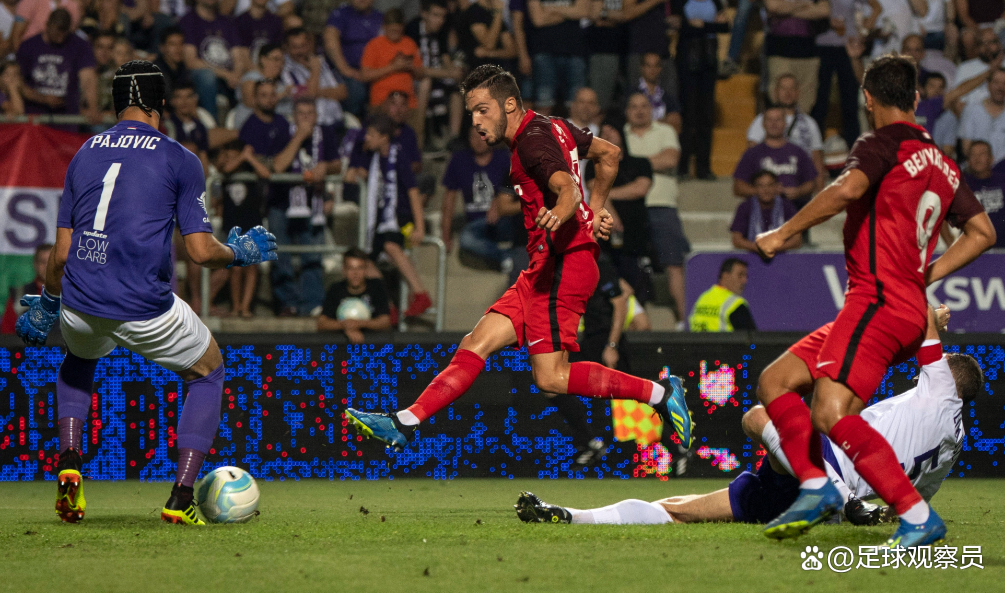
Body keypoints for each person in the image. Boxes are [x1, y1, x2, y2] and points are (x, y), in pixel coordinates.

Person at [344, 64, 694, 456]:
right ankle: (405, 422)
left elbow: (565, 190)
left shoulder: (531, 142)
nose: (474, 121)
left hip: (564, 264)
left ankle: (661, 393)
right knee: (475, 343)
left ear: (509, 104)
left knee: (551, 377)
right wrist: (593, 213)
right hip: (543, 267)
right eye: (471, 111)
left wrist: (570, 210)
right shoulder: (554, 126)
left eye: (481, 110)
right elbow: (609, 155)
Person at [14, 60, 277, 526]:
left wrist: (50, 303)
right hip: (143, 307)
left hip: (80, 303)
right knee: (209, 371)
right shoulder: (179, 157)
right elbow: (199, 252)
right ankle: (180, 497)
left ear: (117, 105)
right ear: (159, 107)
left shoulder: (85, 152)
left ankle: (70, 465)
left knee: (78, 362)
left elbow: (61, 253)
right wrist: (236, 253)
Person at [752, 54, 995, 547]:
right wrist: (927, 273)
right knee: (776, 382)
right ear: (917, 98)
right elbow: (982, 232)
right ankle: (819, 485)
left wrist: (783, 231)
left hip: (877, 301)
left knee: (830, 413)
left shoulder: (883, 143)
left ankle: (913, 513)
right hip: (899, 307)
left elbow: (849, 188)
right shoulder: (944, 163)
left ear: (868, 99)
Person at [515, 307, 984, 526]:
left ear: (949, 377)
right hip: (827, 490)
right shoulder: (951, 447)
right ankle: (570, 516)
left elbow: (918, 312)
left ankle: (834, 495)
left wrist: (935, 320)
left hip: (833, 466)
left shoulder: (942, 387)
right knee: (681, 511)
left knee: (760, 414)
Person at [343, 114, 433, 318]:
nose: (367, 138)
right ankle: (387, 304)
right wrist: (353, 171)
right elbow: (353, 171)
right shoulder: (371, 156)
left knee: (390, 246)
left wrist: (419, 227)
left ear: (384, 138)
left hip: (400, 218)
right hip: (380, 221)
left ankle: (420, 293)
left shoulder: (398, 157)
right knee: (365, 262)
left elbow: (412, 192)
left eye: (372, 135)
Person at [623, 92, 690, 329]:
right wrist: (650, 162)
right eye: (633, 106)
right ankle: (632, 322)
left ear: (652, 110)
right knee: (626, 264)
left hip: (662, 206)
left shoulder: (666, 131)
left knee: (674, 264)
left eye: (644, 106)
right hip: (628, 209)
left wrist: (633, 164)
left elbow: (671, 159)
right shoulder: (620, 133)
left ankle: (684, 321)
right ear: (627, 111)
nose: (639, 110)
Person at [269, 97, 340, 317]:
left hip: (313, 203)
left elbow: (337, 164)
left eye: (311, 113)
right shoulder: (282, 130)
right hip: (281, 202)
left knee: (313, 255)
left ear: (317, 115)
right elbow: (278, 165)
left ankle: (312, 303)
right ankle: (288, 302)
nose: (307, 117)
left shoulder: (326, 133)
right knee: (280, 254)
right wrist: (299, 137)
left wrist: (326, 167)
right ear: (294, 115)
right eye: (302, 113)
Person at [441, 125, 518, 271]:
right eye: (473, 137)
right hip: (476, 225)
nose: (478, 141)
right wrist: (445, 234)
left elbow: (514, 189)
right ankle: (505, 256)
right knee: (466, 239)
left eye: (482, 136)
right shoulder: (459, 161)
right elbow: (448, 202)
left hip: (504, 221)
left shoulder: (504, 158)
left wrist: (497, 204)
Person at [214, 140, 271, 317]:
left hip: (252, 225)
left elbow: (266, 174)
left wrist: (249, 158)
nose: (234, 160)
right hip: (233, 227)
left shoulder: (250, 172)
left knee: (251, 268)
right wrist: (241, 156)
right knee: (236, 268)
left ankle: (246, 307)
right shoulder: (225, 174)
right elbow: (227, 168)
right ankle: (236, 306)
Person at [672, 0, 728, 181]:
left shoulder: (715, 2)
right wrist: (710, 26)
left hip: (708, 62)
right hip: (687, 61)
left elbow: (725, 26)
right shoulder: (680, 2)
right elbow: (681, 27)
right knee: (688, 116)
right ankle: (683, 166)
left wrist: (701, 25)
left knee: (706, 116)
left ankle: (704, 167)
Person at [15, 9, 98, 123]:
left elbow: (88, 78)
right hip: (35, 119)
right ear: (48, 25)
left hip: (67, 117)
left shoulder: (80, 46)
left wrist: (92, 107)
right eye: (57, 32)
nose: (60, 37)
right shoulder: (28, 46)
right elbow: (18, 82)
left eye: (64, 32)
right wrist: (43, 98)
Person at [733, 106, 817, 208]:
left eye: (778, 120)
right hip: (762, 213)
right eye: (770, 120)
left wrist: (798, 191)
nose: (774, 124)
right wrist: (764, 191)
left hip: (794, 210)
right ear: (763, 124)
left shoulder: (798, 152)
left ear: (785, 123)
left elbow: (811, 183)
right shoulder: (752, 153)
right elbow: (738, 187)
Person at [751, 74, 825, 188]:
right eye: (783, 88)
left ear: (798, 92)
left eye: (792, 88)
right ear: (776, 91)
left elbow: (817, 160)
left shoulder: (810, 124)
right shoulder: (761, 120)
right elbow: (751, 156)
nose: (787, 93)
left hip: (801, 189)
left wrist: (820, 194)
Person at [179, 0, 250, 119]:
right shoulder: (188, 21)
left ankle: (244, 127)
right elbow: (191, 61)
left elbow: (238, 58)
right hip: (203, 78)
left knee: (251, 78)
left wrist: (236, 74)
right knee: (207, 77)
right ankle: (212, 125)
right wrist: (225, 74)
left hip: (229, 79)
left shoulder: (227, 22)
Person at [406, 0, 464, 144]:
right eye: (436, 15)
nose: (440, 21)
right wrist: (449, 73)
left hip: (436, 73)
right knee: (426, 83)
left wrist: (454, 71)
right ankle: (419, 135)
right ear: (424, 14)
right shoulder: (412, 29)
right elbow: (417, 69)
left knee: (457, 88)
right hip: (415, 77)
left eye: (442, 16)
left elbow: (444, 56)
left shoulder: (441, 30)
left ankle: (454, 138)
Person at [762, 0, 830, 115]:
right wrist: (804, 4)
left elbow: (824, 11)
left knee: (807, 99)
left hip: (808, 52)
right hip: (779, 51)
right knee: (779, 96)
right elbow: (774, 7)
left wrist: (787, 9)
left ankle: (800, 129)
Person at [811, 0, 863, 148]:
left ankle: (854, 147)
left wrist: (864, 30)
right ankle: (816, 147)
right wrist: (826, 21)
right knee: (820, 101)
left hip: (847, 48)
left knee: (849, 101)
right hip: (822, 46)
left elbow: (874, 7)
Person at [526, 0, 589, 115]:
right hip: (544, 52)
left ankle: (571, 134)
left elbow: (583, 11)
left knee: (575, 106)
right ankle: (541, 133)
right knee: (544, 103)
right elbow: (538, 20)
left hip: (574, 52)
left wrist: (552, 9)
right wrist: (569, 14)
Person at [317, 248, 392, 343]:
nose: (355, 273)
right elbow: (322, 323)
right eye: (350, 268)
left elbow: (385, 322)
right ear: (344, 270)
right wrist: (345, 326)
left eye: (360, 268)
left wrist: (359, 324)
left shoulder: (376, 288)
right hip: (340, 347)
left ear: (366, 270)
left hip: (374, 347)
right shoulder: (336, 289)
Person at [323, 0, 382, 116]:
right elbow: (330, 40)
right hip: (348, 71)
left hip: (375, 71)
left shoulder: (380, 17)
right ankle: (351, 127)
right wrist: (345, 69)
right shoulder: (340, 15)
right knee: (356, 90)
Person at [359, 9, 423, 112]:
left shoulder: (409, 43)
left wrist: (411, 66)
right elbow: (364, 75)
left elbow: (420, 75)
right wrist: (393, 67)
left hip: (407, 104)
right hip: (381, 103)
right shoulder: (374, 45)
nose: (395, 34)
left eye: (398, 31)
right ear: (384, 27)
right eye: (392, 31)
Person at [281, 27, 346, 127]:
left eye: (303, 46)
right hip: (312, 126)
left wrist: (317, 92)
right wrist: (315, 71)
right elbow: (307, 96)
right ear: (287, 48)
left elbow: (343, 92)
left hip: (336, 119)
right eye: (295, 47)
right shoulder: (286, 70)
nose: (300, 51)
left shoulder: (322, 61)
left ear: (309, 44)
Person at [730, 169, 800, 253]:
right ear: (754, 188)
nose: (766, 190)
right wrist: (759, 248)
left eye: (770, 185)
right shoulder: (745, 207)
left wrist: (774, 248)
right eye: (761, 186)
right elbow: (737, 240)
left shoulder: (787, 206)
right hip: (752, 255)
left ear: (776, 187)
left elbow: (797, 240)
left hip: (782, 255)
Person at [688, 258, 756, 332]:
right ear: (725, 276)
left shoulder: (703, 298)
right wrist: (754, 344)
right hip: (723, 344)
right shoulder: (735, 304)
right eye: (740, 275)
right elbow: (752, 340)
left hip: (698, 343)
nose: (744, 281)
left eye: (746, 276)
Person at [963, 141, 1005, 247]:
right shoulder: (960, 186)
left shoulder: (1002, 181)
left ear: (991, 158)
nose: (977, 158)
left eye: (982, 154)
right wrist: (951, 244)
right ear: (968, 161)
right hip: (971, 251)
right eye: (973, 155)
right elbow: (941, 213)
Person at [959, 68, 1005, 165]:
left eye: (1004, 83)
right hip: (976, 171)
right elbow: (966, 149)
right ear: (988, 85)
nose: (1000, 88)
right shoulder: (971, 110)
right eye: (996, 82)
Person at [456, 0, 517, 71]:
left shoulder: (494, 14)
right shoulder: (474, 12)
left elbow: (513, 51)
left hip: (501, 71)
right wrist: (498, 12)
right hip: (479, 73)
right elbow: (489, 44)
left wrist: (489, 53)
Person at [635, 52, 683, 134]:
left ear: (660, 68)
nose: (652, 70)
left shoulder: (668, 97)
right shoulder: (632, 94)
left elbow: (676, 126)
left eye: (656, 66)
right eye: (648, 66)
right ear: (642, 68)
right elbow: (632, 124)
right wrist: (663, 122)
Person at [234, 0, 283, 64]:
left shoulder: (276, 21)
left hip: (271, 68)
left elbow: (278, 52)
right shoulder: (240, 22)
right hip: (248, 70)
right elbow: (242, 55)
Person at [153, 26, 190, 100]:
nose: (178, 48)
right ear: (162, 48)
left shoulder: (183, 68)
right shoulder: (155, 72)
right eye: (172, 44)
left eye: (181, 43)